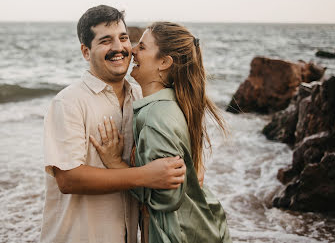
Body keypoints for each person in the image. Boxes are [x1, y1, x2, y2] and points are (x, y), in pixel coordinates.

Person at [40, 6, 187, 243]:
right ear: (86, 52)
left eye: (124, 38)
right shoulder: (69, 102)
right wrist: (145, 176)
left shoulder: (141, 96)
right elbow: (68, 179)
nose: (118, 48)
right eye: (106, 41)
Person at [90, 22, 232, 243]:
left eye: (143, 47)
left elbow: (167, 196)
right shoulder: (173, 102)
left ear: (164, 62)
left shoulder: (157, 117)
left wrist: (115, 163)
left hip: (179, 234)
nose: (133, 51)